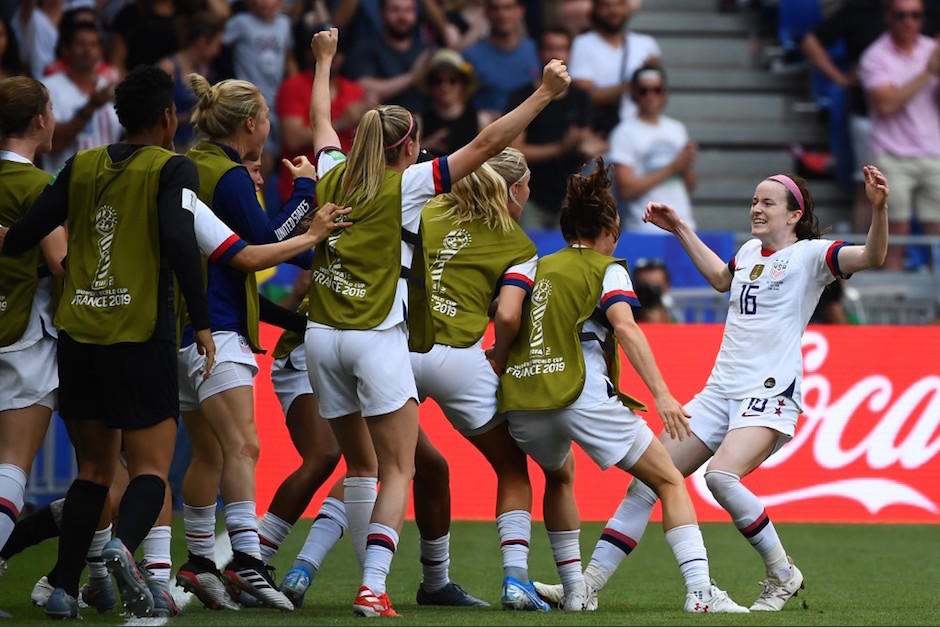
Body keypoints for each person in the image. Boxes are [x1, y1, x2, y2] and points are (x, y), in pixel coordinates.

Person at [537, 166, 890, 612]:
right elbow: (722, 279)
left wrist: (879, 209)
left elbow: (873, 256)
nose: (756, 208)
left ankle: (782, 573)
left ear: (794, 215)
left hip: (769, 392)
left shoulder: (812, 255)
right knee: (647, 484)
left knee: (721, 477)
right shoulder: (748, 252)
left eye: (768, 202)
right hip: (720, 391)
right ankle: (586, 587)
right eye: (754, 201)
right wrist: (680, 228)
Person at [305, 27, 570, 617]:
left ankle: (292, 565)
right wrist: (545, 94)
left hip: (321, 339)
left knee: (363, 467)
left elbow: (321, 123)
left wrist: (323, 61)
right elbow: (487, 141)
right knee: (402, 469)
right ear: (408, 147)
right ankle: (376, 588)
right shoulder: (410, 187)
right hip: (382, 339)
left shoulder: (332, 173)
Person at [1, 65, 216, 619]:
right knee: (150, 468)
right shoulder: (174, 168)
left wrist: (16, 240)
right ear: (167, 116)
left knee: (93, 472)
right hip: (140, 333)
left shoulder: (81, 164)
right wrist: (202, 323)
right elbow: (180, 239)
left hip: (79, 336)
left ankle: (64, 589)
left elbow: (25, 235)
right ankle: (123, 546)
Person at [497, 158, 746, 614]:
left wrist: (498, 357)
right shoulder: (607, 268)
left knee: (559, 477)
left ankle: (575, 591)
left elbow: (506, 313)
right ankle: (701, 593)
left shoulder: (531, 265)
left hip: (523, 402)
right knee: (669, 480)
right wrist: (663, 394)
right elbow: (626, 329)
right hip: (580, 395)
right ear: (611, 229)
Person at [173, 72, 323, 611]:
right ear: (250, 123)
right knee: (243, 446)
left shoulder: (190, 165)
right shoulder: (230, 175)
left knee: (210, 452)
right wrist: (305, 192)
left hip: (180, 329)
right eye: (265, 117)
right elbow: (262, 243)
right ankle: (247, 561)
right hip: (217, 328)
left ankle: (198, 562)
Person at [407, 149, 547, 610]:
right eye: (527, 185)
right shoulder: (519, 243)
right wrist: (500, 357)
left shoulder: (429, 209)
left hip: (398, 348)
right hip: (460, 360)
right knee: (511, 468)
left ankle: (299, 568)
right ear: (515, 190)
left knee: (374, 466)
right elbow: (507, 315)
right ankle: (516, 580)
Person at [0, 76, 63, 620]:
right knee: (12, 467)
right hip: (24, 335)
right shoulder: (39, 186)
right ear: (41, 120)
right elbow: (62, 263)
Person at [858, 0, 940, 269]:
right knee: (894, 238)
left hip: (934, 152)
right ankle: (892, 294)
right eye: (901, 15)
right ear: (888, 17)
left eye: (916, 15)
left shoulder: (932, 49)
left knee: (938, 236)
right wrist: (928, 72)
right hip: (891, 155)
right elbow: (886, 104)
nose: (909, 22)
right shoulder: (875, 56)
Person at [507, 26, 598, 228]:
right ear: (539, 52)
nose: (556, 54)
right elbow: (515, 151)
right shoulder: (521, 97)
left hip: (569, 196)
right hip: (529, 195)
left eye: (561, 48)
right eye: (550, 48)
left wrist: (588, 147)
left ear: (570, 53)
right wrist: (560, 148)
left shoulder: (581, 98)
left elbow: (585, 141)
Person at [275, 16, 369, 203]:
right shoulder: (293, 86)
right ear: (310, 52)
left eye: (338, 52)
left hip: (344, 193)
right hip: (302, 194)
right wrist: (342, 122)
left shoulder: (354, 90)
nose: (333, 57)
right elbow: (293, 139)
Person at [609, 65, 696, 233]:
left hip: (684, 226)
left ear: (665, 93)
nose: (651, 96)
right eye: (644, 91)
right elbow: (626, 190)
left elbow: (690, 185)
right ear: (634, 94)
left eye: (657, 90)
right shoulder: (623, 133)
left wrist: (685, 165)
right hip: (645, 228)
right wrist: (673, 167)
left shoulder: (677, 128)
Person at [568, 0, 660, 135]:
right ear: (595, 9)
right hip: (601, 132)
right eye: (606, 5)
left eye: (619, 4)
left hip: (641, 128)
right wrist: (633, 83)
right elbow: (586, 96)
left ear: (627, 9)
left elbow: (656, 90)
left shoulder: (647, 44)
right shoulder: (582, 43)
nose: (613, 11)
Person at [40, 21, 120, 176]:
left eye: (93, 45)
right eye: (81, 44)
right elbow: (52, 143)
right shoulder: (47, 88)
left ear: (101, 51)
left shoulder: (110, 88)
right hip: (63, 184)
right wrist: (91, 106)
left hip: (107, 184)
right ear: (66, 49)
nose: (87, 50)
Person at [156, 11, 226, 152]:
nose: (218, 51)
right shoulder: (168, 68)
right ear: (202, 42)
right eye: (217, 45)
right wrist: (188, 118)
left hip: (196, 145)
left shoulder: (206, 70)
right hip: (170, 146)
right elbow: (154, 113)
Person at [344, 0, 429, 112]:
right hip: (387, 118)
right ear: (381, 13)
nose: (402, 16)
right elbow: (363, 86)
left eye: (408, 10)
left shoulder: (425, 49)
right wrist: (412, 76)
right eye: (395, 10)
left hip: (425, 117)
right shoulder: (366, 48)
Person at [462, 0, 540, 118]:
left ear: (520, 11)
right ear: (486, 13)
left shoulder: (537, 51)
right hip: (488, 125)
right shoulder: (471, 56)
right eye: (495, 8)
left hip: (533, 124)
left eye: (508, 7)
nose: (502, 14)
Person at [416, 48, 484, 156]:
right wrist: (426, 146)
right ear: (430, 85)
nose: (445, 87)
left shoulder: (481, 121)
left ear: (463, 85)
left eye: (452, 80)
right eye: (438, 81)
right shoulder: (418, 124)